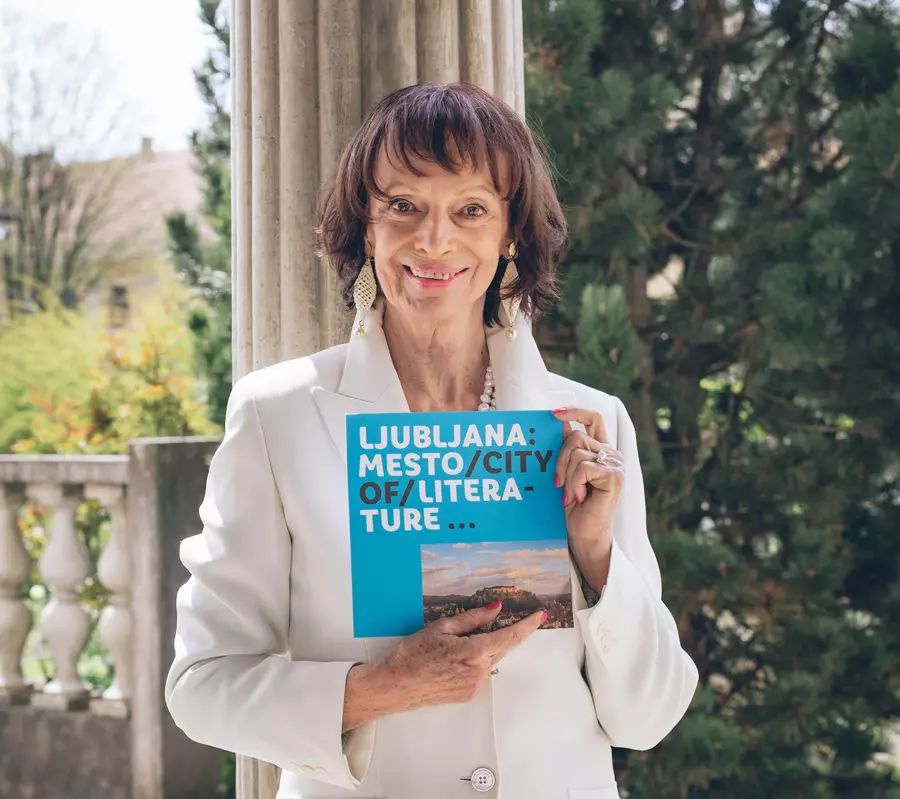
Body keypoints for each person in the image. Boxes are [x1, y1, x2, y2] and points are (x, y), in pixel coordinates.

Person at [165, 82, 699, 799]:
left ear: (510, 234)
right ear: (366, 227)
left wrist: (596, 554)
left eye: (471, 210)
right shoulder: (279, 417)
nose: (435, 239)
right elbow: (203, 684)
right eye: (403, 206)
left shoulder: (589, 425)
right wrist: (379, 688)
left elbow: (649, 717)